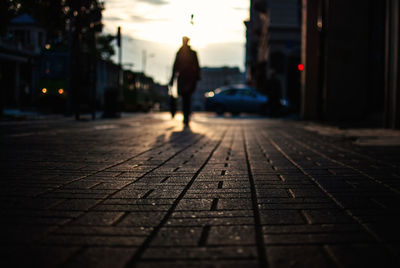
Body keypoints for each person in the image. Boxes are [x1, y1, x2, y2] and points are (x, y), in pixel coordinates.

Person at [170, 36, 200, 127]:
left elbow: (196, 65)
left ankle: (186, 116)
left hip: (186, 78)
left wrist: (173, 78)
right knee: (186, 97)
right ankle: (186, 116)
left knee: (186, 97)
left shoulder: (184, 53)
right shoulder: (185, 53)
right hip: (185, 78)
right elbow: (175, 66)